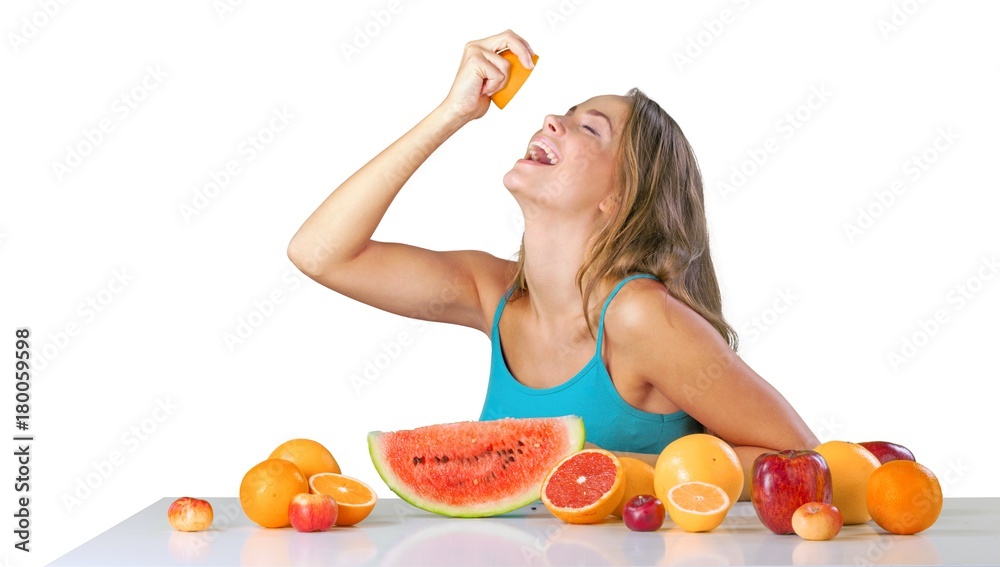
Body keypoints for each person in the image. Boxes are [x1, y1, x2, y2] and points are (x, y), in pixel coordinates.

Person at [287, 30, 818, 499]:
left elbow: (803, 463)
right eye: (561, 114)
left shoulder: (637, 317)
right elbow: (319, 253)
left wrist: (612, 472)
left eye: (589, 129)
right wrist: (452, 113)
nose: (551, 121)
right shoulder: (490, 291)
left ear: (620, 195)